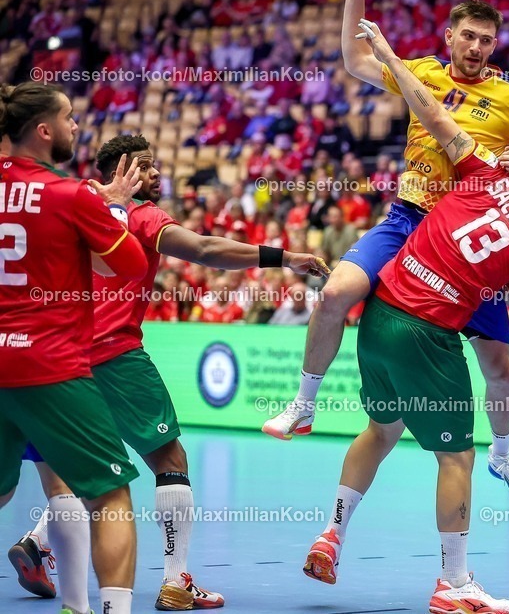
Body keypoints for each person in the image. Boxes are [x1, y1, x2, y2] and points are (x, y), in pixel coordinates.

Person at [302, 17, 509, 613]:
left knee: (387, 425)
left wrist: (383, 42)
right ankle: (453, 584)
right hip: (429, 314)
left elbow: (438, 120)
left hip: (385, 309)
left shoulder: (484, 167)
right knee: (454, 453)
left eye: (488, 39)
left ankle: (332, 530)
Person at [9, 133, 329, 611]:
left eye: (157, 164)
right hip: (115, 354)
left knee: (89, 466)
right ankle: (176, 580)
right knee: (170, 459)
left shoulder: (72, 201)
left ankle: (39, 544)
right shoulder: (139, 214)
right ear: (120, 172)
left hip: (60, 358)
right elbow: (203, 249)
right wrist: (283, 258)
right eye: (145, 165)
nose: (157, 174)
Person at [264, 0, 509, 505]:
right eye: (468, 36)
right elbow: (353, 59)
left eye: (487, 40)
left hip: (466, 242)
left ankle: (503, 452)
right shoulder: (419, 73)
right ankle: (305, 403)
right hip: (408, 218)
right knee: (332, 294)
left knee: (501, 371)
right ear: (448, 36)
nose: (477, 47)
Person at [0, 82, 148, 614]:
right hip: (50, 367)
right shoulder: (71, 194)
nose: (76, 126)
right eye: (68, 118)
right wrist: (112, 209)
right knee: (110, 494)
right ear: (44, 131)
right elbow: (129, 267)